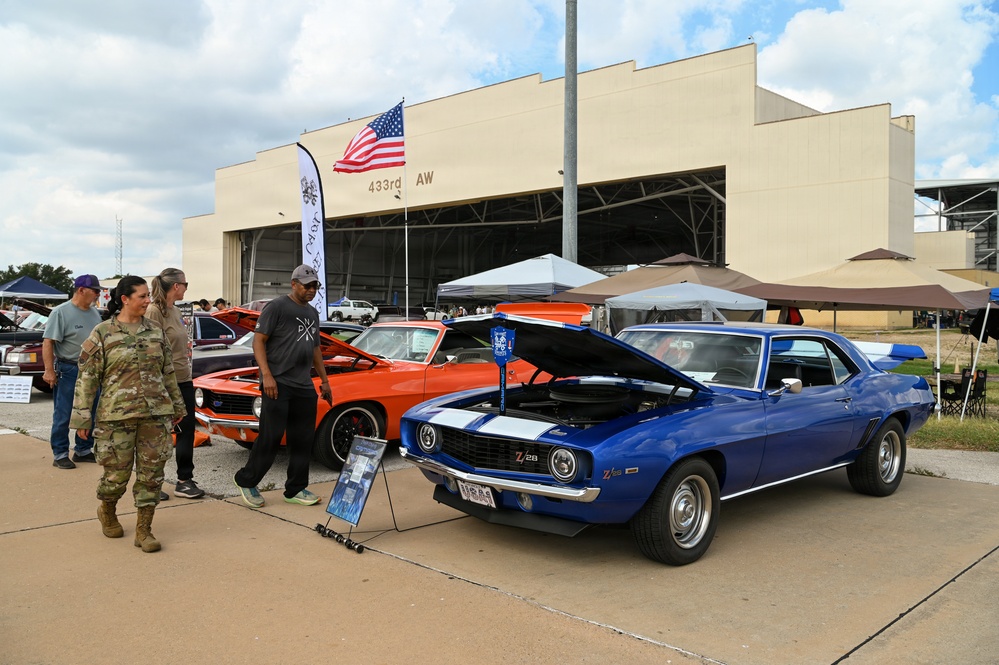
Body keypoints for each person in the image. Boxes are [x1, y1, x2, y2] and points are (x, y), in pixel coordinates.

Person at [71, 276, 186, 553]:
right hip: (115, 418)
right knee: (116, 476)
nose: (148, 300)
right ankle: (107, 510)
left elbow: (167, 372)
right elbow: (87, 378)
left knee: (152, 474)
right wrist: (82, 418)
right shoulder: (102, 332)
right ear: (124, 299)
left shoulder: (155, 331)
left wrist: (178, 407)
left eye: (148, 296)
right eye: (142, 296)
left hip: (154, 415)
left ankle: (143, 530)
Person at [233, 264, 332, 508]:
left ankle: (295, 488)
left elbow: (315, 348)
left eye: (315, 286)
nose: (311, 290)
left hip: (303, 385)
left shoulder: (311, 313)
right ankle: (247, 480)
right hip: (277, 382)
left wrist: (325, 381)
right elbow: (258, 342)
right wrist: (266, 375)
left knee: (302, 439)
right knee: (272, 435)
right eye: (307, 285)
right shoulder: (276, 307)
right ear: (294, 284)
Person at [146, 267, 204, 499]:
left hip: (183, 378)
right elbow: (151, 350)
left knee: (186, 429)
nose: (187, 289)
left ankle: (184, 479)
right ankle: (152, 482)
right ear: (176, 286)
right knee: (159, 433)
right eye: (186, 284)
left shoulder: (175, 310)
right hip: (164, 381)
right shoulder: (154, 311)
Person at [43, 274, 103, 469]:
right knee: (64, 413)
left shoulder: (94, 313)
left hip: (92, 370)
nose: (97, 295)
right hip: (69, 368)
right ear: (81, 290)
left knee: (91, 410)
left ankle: (83, 450)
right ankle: (60, 453)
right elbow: (48, 342)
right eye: (95, 291)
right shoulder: (60, 312)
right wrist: (49, 371)